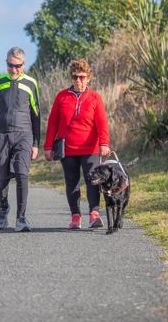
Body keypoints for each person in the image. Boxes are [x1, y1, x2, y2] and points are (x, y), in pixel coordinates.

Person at [43, 59, 111, 230]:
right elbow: (52, 123)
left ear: (88, 78)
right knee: (71, 181)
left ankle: (94, 214)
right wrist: (48, 146)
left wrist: (104, 143)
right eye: (75, 77)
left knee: (93, 180)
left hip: (91, 148)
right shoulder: (61, 96)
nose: (78, 80)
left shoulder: (95, 97)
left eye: (82, 77)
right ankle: (75, 216)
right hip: (68, 148)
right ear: (71, 78)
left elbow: (102, 122)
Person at [0, 46, 40, 232]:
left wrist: (36, 143)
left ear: (23, 64)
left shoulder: (31, 83)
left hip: (24, 135)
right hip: (1, 135)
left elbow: (36, 116)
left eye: (17, 66)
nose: (13, 69)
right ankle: (3, 207)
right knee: (2, 177)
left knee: (22, 174)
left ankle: (21, 218)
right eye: (10, 65)